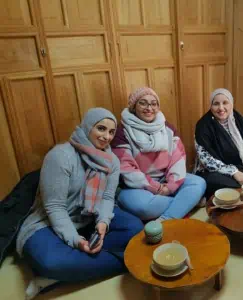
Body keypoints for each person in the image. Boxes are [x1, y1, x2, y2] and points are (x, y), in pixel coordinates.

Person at [16, 108, 144, 284]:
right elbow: (54, 207)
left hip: (88, 218)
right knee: (51, 262)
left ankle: (66, 273)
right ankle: (129, 262)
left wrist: (103, 222)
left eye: (111, 131)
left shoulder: (111, 160)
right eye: (101, 128)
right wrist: (76, 241)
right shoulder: (60, 156)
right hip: (49, 222)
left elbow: (107, 198)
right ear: (87, 126)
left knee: (135, 228)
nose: (106, 136)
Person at [111, 87, 206, 221]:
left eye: (153, 103)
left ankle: (166, 219)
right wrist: (157, 188)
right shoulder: (121, 132)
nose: (149, 108)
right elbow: (128, 170)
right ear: (134, 107)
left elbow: (177, 159)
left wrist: (170, 187)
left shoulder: (168, 128)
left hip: (166, 180)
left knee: (199, 183)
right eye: (143, 103)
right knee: (143, 207)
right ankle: (188, 203)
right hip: (136, 187)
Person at [194, 88, 243, 199]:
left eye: (225, 103)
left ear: (231, 104)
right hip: (214, 171)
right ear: (211, 106)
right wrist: (234, 172)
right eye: (216, 104)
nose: (221, 108)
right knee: (226, 184)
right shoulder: (203, 126)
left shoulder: (242, 121)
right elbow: (207, 160)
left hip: (241, 166)